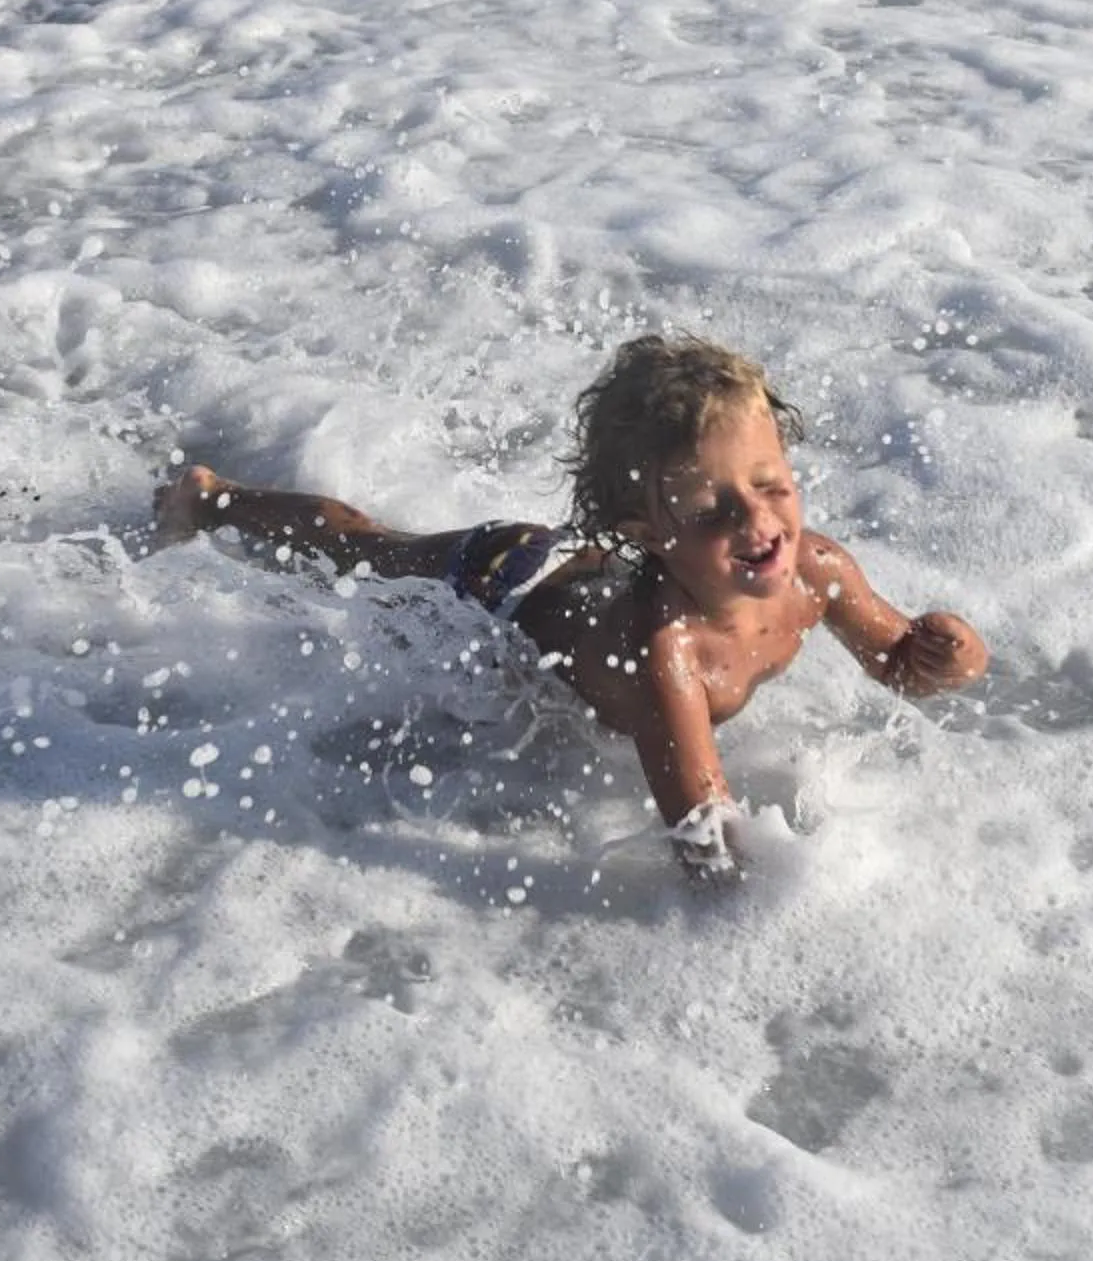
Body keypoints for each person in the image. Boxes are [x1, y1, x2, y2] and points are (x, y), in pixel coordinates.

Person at [152, 334, 990, 879]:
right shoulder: (670, 655)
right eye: (711, 511)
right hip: (503, 585)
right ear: (650, 531)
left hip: (590, 567)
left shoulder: (818, 571)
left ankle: (220, 502)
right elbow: (705, 838)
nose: (758, 521)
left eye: (771, 484)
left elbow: (900, 664)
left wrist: (949, 654)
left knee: (370, 546)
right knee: (364, 551)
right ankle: (214, 502)